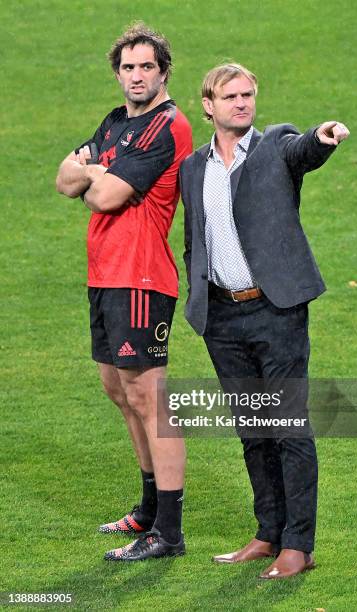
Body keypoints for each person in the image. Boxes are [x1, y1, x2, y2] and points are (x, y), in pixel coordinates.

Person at [180, 63, 349, 579]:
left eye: (248, 94)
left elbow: (305, 151)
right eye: (230, 96)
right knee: (253, 430)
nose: (242, 103)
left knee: (288, 427)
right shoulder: (193, 168)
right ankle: (268, 533)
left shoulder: (276, 144)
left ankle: (300, 544)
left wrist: (322, 138)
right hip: (221, 316)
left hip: (276, 311)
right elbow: (195, 238)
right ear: (208, 105)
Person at [56, 22, 192, 562]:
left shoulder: (167, 126)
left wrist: (93, 168)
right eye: (128, 68)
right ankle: (148, 509)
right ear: (118, 73)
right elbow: (64, 180)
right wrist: (93, 170)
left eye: (146, 67)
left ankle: (170, 533)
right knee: (118, 389)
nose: (136, 76)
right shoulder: (116, 123)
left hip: (140, 275)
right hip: (104, 274)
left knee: (150, 399)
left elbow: (105, 196)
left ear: (163, 73)